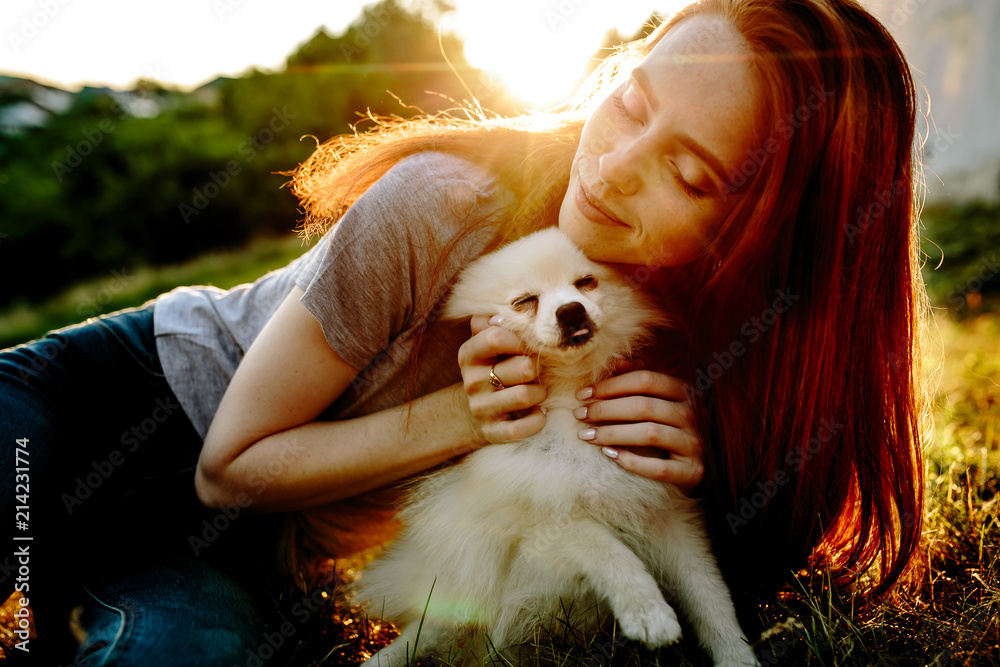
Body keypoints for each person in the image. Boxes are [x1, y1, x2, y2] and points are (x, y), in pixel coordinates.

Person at [0, 0, 927, 664]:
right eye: (634, 104)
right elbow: (230, 463)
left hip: (233, 544)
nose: (615, 168)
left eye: (689, 175)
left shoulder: (704, 345)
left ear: (763, 237)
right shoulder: (446, 204)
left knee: (186, 647)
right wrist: (480, 415)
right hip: (102, 402)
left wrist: (699, 473)